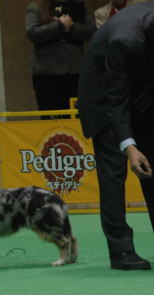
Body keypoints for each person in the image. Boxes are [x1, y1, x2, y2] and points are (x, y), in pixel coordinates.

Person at [77, 2, 154, 270]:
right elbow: (115, 98)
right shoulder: (126, 39)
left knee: (152, 165)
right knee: (113, 174)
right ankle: (120, 251)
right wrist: (130, 146)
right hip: (102, 98)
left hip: (139, 92)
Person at [25, 0, 96, 119]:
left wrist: (71, 27)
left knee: (76, 117)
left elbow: (91, 32)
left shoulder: (79, 6)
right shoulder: (35, 7)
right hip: (47, 73)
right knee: (50, 118)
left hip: (75, 70)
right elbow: (32, 33)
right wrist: (58, 26)